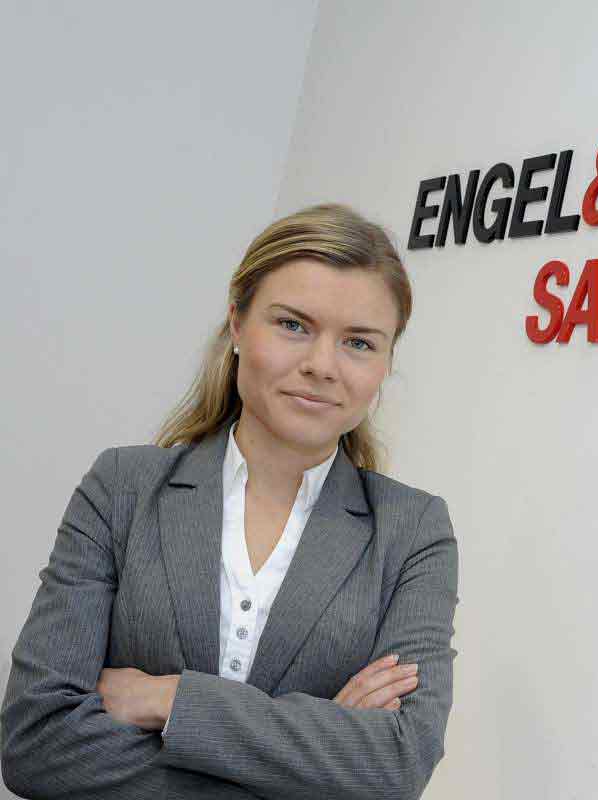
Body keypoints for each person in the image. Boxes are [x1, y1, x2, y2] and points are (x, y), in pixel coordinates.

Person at [0, 203, 459, 799]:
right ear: (238, 324)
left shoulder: (413, 530)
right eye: (293, 325)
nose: (322, 365)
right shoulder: (123, 487)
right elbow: (35, 742)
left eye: (358, 342)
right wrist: (316, 758)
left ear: (386, 361)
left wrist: (171, 699)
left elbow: (395, 766)